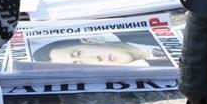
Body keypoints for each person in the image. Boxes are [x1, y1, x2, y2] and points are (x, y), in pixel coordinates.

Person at [32, 34, 171, 66]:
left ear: (90, 40)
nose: (94, 60)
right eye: (79, 63)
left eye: (79, 53)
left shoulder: (146, 34)